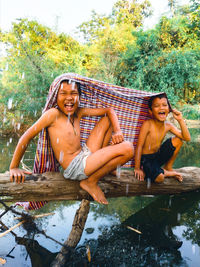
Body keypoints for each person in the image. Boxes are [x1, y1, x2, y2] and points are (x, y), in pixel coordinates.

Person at [10, 79, 134, 204]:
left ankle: (105, 166)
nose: (69, 98)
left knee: (107, 120)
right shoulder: (53, 114)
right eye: (63, 93)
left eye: (74, 93)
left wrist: (117, 131)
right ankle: (91, 182)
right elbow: (26, 137)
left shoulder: (78, 112)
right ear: (55, 96)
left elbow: (109, 111)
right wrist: (14, 167)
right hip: (75, 167)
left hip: (85, 154)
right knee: (128, 148)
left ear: (79, 96)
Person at [134, 93, 191, 183]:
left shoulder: (168, 125)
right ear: (150, 111)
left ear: (169, 109)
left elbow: (187, 138)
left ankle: (168, 167)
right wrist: (137, 168)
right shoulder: (147, 124)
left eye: (164, 105)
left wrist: (180, 120)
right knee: (160, 178)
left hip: (157, 156)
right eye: (157, 106)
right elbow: (139, 146)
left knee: (178, 140)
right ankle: (168, 173)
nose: (161, 108)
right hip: (146, 160)